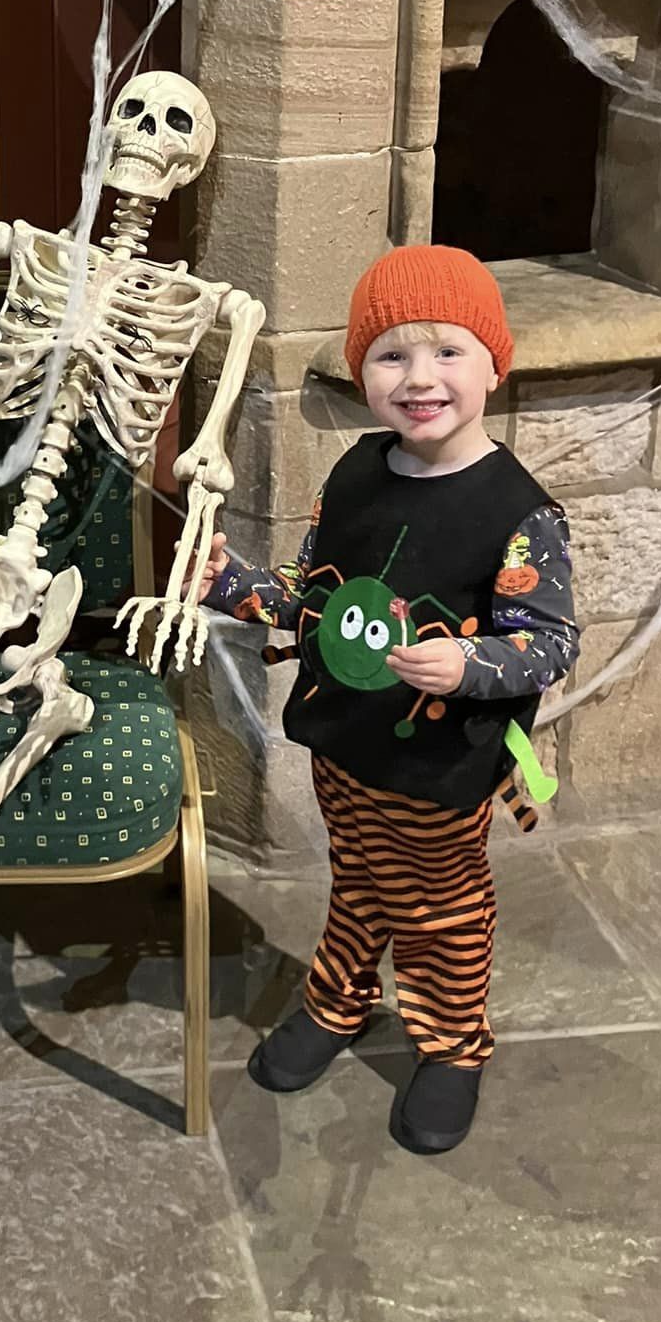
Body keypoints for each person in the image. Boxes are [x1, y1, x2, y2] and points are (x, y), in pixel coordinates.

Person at [198, 245, 579, 1154]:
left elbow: (550, 643)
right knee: (361, 881)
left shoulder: (520, 513)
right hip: (345, 746)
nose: (419, 378)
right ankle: (337, 1000)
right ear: (361, 370)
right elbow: (313, 597)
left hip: (439, 766)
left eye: (448, 351)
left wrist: (470, 662)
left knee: (440, 910)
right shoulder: (355, 474)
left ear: (494, 363)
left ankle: (452, 1044)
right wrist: (230, 583)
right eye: (391, 355)